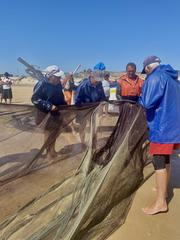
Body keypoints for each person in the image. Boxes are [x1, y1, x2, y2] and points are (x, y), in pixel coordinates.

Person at [139, 55, 180, 215]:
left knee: (158, 162)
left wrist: (140, 98)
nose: (146, 73)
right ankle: (162, 189)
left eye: (146, 71)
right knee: (167, 159)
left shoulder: (154, 77)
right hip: (174, 126)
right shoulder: (173, 78)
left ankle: (160, 202)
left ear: (148, 68)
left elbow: (147, 102)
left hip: (161, 127)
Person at [31, 65, 67, 159]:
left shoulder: (58, 84)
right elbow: (35, 99)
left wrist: (65, 105)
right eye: (57, 76)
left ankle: (52, 150)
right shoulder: (42, 83)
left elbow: (60, 96)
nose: (59, 78)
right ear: (50, 76)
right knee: (48, 132)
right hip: (45, 113)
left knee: (55, 132)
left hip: (56, 112)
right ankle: (48, 153)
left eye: (59, 77)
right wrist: (49, 106)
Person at [75, 63, 107, 143]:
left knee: (94, 126)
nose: (97, 81)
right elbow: (77, 99)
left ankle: (94, 141)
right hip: (83, 110)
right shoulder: (83, 85)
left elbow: (102, 95)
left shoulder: (99, 84)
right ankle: (82, 142)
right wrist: (81, 109)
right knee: (82, 126)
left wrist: (103, 101)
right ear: (92, 75)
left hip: (94, 110)